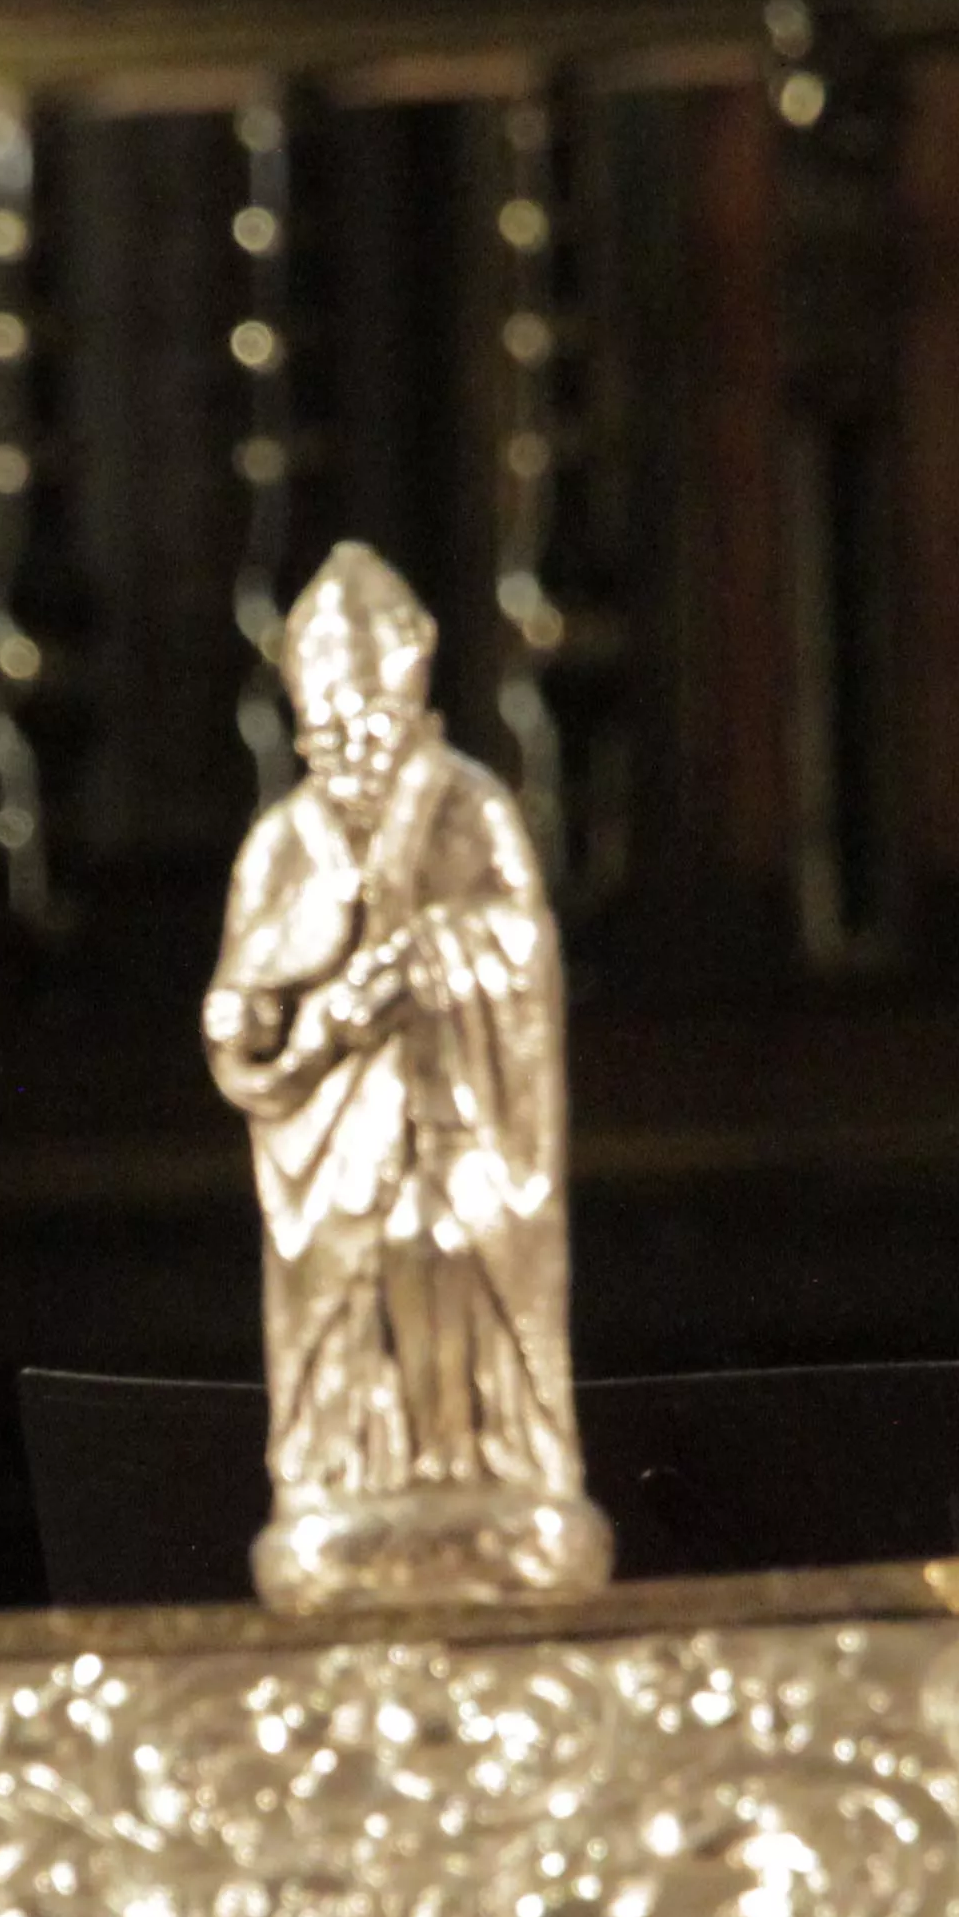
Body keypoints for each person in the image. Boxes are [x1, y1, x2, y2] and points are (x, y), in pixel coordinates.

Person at [202, 542, 606, 1610]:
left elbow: (521, 947)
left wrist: (438, 958)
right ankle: (343, 1477)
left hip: (454, 1131)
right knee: (356, 1280)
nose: (352, 752)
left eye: (369, 727)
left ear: (410, 708)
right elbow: (239, 1011)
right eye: (326, 733)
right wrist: (301, 1016)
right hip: (338, 1153)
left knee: (441, 1245)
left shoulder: (468, 806)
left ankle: (481, 1469)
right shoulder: (284, 843)